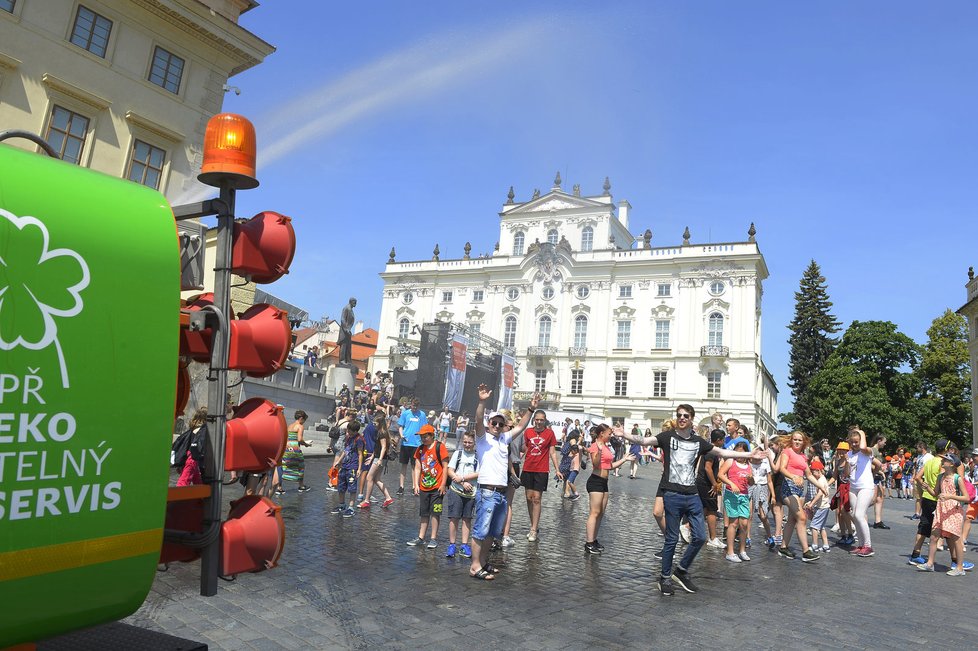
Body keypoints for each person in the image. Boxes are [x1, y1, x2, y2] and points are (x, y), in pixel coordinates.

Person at [617, 404, 764, 596]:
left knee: (701, 537)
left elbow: (722, 452)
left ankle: (681, 570)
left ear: (692, 418)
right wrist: (625, 434)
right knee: (671, 539)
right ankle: (665, 578)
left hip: (692, 494)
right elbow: (644, 440)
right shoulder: (667, 437)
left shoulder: (698, 442)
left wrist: (748, 454)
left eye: (685, 415)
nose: (682, 418)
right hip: (672, 494)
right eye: (679, 415)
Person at [468, 386, 535, 580]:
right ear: (489, 424)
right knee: (481, 530)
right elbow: (479, 419)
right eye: (494, 423)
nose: (497, 426)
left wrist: (530, 409)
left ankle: (483, 561)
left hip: (501, 492)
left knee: (493, 532)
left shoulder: (503, 439)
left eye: (500, 423)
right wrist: (482, 402)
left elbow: (521, 427)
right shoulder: (482, 438)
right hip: (487, 491)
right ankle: (474, 566)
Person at [584, 424, 636, 554]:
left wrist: (624, 459)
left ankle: (594, 539)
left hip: (604, 482)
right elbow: (596, 465)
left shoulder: (606, 446)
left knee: (601, 513)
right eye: (609, 433)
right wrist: (600, 451)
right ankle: (589, 543)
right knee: (594, 513)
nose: (610, 435)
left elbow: (609, 466)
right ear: (601, 433)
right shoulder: (595, 446)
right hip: (595, 481)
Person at [916, 454, 970, 575]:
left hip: (953, 511)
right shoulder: (940, 476)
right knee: (934, 536)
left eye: (945, 460)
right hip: (941, 509)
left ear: (951, 464)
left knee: (956, 539)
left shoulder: (957, 478)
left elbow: (966, 497)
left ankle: (960, 568)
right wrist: (927, 487)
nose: (942, 461)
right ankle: (930, 564)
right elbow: (935, 493)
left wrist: (950, 496)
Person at [774, 431, 821, 562]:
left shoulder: (803, 457)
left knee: (792, 519)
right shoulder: (787, 451)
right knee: (802, 517)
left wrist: (821, 486)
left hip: (800, 489)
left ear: (803, 442)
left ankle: (783, 547)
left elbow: (809, 474)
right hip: (788, 487)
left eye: (800, 440)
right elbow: (782, 468)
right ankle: (806, 551)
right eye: (795, 439)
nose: (797, 442)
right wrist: (793, 476)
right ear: (791, 440)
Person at [521, 409, 564, 542]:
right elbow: (525, 449)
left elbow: (552, 453)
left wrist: (557, 469)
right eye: (537, 419)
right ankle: (533, 523)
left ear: (545, 420)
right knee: (529, 498)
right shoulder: (528, 432)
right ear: (534, 420)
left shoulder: (549, 433)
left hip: (541, 469)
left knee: (537, 498)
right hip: (528, 468)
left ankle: (533, 529)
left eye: (541, 420)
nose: (539, 422)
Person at [406, 425, 449, 549]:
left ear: (431, 435)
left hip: (437, 487)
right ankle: (421, 537)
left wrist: (443, 484)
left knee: (435, 513)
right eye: (421, 437)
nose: (423, 439)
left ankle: (433, 538)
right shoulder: (420, 449)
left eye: (425, 437)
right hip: (424, 486)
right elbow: (417, 467)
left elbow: (445, 467)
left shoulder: (439, 447)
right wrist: (416, 484)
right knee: (424, 513)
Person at [718, 437, 753, 562]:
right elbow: (720, 474)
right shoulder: (730, 462)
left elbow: (751, 483)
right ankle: (730, 551)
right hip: (731, 494)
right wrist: (731, 483)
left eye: (742, 452)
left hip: (744, 495)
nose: (740, 455)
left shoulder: (748, 465)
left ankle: (742, 550)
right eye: (737, 452)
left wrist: (750, 479)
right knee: (734, 522)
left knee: (744, 523)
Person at [445, 432, 479, 559]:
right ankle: (452, 544)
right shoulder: (457, 454)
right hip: (456, 490)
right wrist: (462, 481)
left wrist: (463, 478)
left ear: (474, 443)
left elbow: (479, 473)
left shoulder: (478, 456)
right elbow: (450, 470)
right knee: (454, 518)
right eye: (465, 442)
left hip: (471, 493)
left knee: (467, 518)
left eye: (470, 442)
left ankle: (464, 545)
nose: (467, 445)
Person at [846, 427, 877, 557]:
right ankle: (861, 545)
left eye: (856, 442)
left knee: (859, 515)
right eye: (852, 442)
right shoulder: (849, 454)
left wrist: (861, 432)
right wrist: (848, 464)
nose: (854, 444)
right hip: (853, 487)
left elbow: (864, 447)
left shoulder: (867, 452)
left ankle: (868, 546)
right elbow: (847, 473)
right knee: (855, 516)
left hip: (866, 487)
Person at [359, 414, 395, 509]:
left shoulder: (382, 433)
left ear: (380, 423)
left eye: (375, 423)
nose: (374, 425)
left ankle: (366, 500)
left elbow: (383, 447)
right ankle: (388, 498)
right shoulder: (380, 431)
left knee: (369, 477)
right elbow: (377, 447)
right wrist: (372, 457)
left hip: (380, 458)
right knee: (376, 479)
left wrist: (379, 459)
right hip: (379, 457)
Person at [698, 430, 725, 549]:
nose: (724, 442)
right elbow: (708, 468)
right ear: (719, 440)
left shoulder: (709, 449)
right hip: (707, 484)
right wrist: (714, 483)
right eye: (723, 439)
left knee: (704, 509)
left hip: (703, 483)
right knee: (712, 510)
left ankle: (688, 527)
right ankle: (713, 538)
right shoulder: (712, 451)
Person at [330, 421, 364, 517]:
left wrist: (359, 468)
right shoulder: (348, 438)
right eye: (348, 431)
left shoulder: (359, 440)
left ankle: (351, 508)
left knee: (352, 487)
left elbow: (360, 454)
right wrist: (339, 461)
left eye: (350, 431)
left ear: (356, 431)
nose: (348, 433)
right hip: (344, 465)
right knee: (341, 486)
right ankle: (341, 505)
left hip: (353, 466)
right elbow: (345, 451)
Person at [396, 397, 425, 495]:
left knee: (415, 466)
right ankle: (401, 486)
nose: (414, 408)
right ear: (410, 404)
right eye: (413, 406)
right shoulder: (405, 413)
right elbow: (400, 426)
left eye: (416, 407)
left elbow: (424, 428)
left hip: (416, 444)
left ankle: (414, 486)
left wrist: (423, 440)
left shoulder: (422, 415)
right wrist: (401, 435)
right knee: (404, 465)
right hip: (406, 443)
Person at [281, 410, 312, 494]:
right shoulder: (300, 426)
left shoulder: (290, 426)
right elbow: (299, 439)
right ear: (301, 418)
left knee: (285, 465)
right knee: (301, 466)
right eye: (304, 420)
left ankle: (279, 487)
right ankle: (301, 486)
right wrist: (306, 444)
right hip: (294, 448)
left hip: (287, 448)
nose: (304, 422)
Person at [806, 458, 832, 552]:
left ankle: (814, 545)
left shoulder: (821, 480)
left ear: (818, 471)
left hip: (821, 507)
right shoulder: (823, 479)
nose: (812, 474)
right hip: (824, 507)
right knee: (821, 527)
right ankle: (826, 545)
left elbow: (820, 493)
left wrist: (812, 503)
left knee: (813, 526)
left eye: (813, 472)